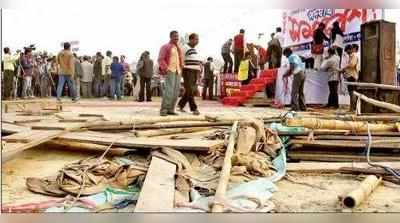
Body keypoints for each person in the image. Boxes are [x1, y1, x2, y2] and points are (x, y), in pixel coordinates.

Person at [158, 30, 184, 116]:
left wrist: (181, 67)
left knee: (176, 91)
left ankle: (171, 109)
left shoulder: (178, 48)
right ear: (171, 37)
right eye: (175, 36)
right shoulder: (165, 46)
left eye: (177, 36)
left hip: (178, 71)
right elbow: (160, 59)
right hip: (170, 70)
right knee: (169, 91)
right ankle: (164, 110)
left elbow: (181, 60)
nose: (176, 38)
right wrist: (166, 69)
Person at [177, 33, 202, 115]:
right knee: (190, 90)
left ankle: (180, 105)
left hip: (195, 71)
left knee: (191, 90)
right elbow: (180, 58)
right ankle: (194, 108)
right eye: (196, 39)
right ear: (191, 39)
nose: (197, 41)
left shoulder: (194, 50)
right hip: (188, 71)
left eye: (198, 39)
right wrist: (181, 69)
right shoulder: (184, 48)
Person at [341, 44, 358, 111]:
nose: (347, 52)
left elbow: (352, 64)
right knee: (351, 92)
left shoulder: (354, 55)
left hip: (352, 76)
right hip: (350, 76)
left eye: (347, 51)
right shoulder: (351, 56)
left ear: (350, 49)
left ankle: (352, 108)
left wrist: (344, 68)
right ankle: (352, 107)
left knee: (352, 92)